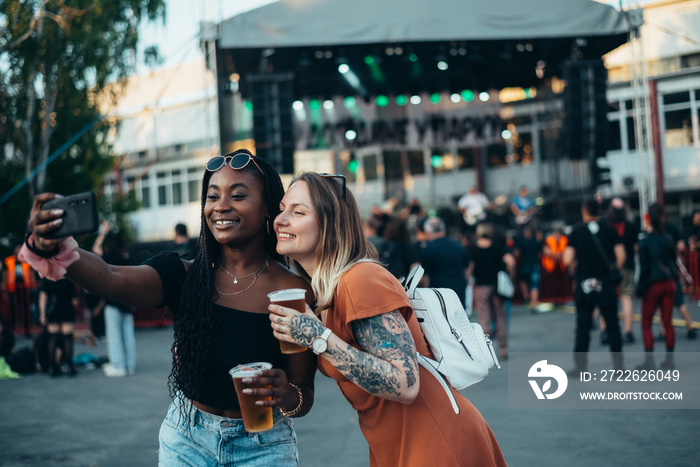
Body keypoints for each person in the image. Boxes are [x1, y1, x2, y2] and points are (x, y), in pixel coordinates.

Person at [22, 149, 317, 466]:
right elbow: (110, 276)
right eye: (212, 196)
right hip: (187, 440)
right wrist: (53, 246)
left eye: (238, 195)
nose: (220, 206)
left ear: (269, 208)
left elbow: (303, 393)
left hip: (263, 446)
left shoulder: (292, 292)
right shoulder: (185, 277)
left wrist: (286, 395)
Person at [268, 172, 506, 467]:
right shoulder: (327, 292)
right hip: (397, 445)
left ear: (331, 224)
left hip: (434, 442)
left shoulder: (360, 279)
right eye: (281, 209)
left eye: (298, 211)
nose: (280, 219)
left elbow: (405, 383)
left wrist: (318, 338)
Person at [563, 198, 625, 373]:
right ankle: (619, 367)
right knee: (612, 324)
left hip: (584, 283)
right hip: (605, 282)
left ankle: (580, 367)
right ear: (599, 211)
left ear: (584, 211)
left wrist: (576, 264)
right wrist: (613, 270)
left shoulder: (576, 232)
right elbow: (621, 256)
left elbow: (567, 258)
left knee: (583, 326)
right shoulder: (609, 230)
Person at [635, 204, 677, 370]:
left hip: (653, 284)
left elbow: (644, 268)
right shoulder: (668, 239)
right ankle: (670, 359)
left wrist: (640, 288)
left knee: (646, 323)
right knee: (668, 322)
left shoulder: (644, 241)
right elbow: (673, 260)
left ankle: (649, 360)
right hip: (669, 283)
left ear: (648, 220)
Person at [93, 228, 137, 377]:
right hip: (127, 300)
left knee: (114, 335)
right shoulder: (126, 257)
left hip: (112, 300)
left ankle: (118, 366)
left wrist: (102, 233)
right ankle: (129, 365)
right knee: (128, 335)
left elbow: (95, 249)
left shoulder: (108, 256)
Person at [468, 223, 516, 360]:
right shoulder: (497, 247)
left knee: (484, 318)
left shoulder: (473, 248)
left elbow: (470, 267)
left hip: (481, 286)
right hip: (497, 287)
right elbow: (510, 262)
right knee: (500, 317)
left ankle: (486, 349)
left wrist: (469, 281)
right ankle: (503, 348)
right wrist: (510, 276)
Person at [600, 198, 638, 344]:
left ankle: (605, 330)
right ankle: (628, 332)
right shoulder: (630, 226)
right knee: (626, 297)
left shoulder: (605, 225)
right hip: (627, 267)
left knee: (605, 299)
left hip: (607, 268)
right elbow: (636, 247)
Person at [419, 216, 470, 305]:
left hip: (438, 295)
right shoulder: (458, 245)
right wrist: (465, 282)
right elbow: (468, 266)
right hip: (458, 292)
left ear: (427, 232)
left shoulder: (428, 249)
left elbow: (426, 277)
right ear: (443, 229)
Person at [38, 277, 80, 376]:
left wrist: (43, 314)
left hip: (53, 312)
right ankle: (70, 366)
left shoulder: (48, 280)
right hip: (67, 311)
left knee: (53, 339)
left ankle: (54, 368)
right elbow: (74, 300)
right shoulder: (69, 281)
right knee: (68, 339)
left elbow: (43, 297)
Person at [514, 225, 542, 313]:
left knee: (523, 281)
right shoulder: (535, 242)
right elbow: (540, 254)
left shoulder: (521, 242)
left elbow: (517, 253)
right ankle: (534, 305)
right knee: (535, 286)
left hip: (524, 264)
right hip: (534, 265)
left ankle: (526, 296)